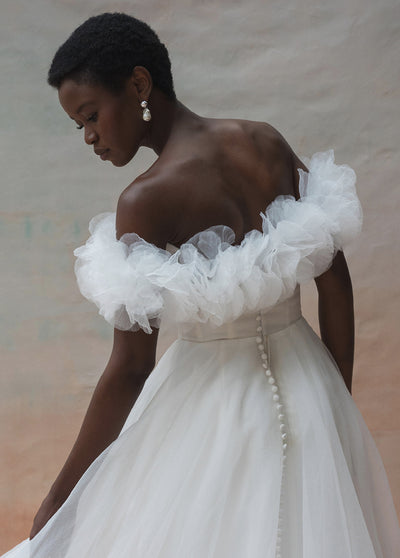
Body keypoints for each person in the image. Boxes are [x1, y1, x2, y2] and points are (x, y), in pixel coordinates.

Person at [2, 11, 400, 558]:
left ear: (139, 84)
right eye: (79, 125)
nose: (89, 137)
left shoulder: (144, 200)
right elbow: (336, 284)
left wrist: (57, 502)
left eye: (92, 115)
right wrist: (337, 409)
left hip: (214, 414)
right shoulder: (265, 142)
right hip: (313, 385)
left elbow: (132, 368)